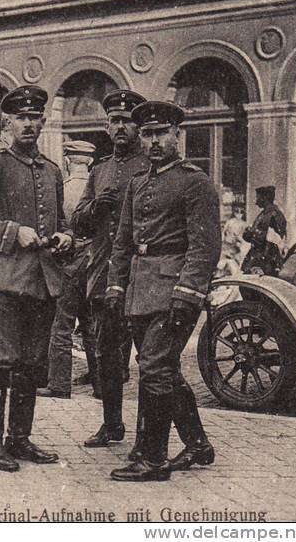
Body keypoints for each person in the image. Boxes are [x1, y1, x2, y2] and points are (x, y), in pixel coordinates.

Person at [0, 85, 73, 472]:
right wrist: (12, 232)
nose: (28, 124)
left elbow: (61, 222)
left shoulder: (52, 171)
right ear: (8, 122)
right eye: (20, 118)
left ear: (43, 121)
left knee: (30, 363)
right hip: (3, 279)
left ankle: (19, 438)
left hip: (42, 281)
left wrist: (64, 236)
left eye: (34, 117)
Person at [105, 101, 220, 481]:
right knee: (163, 367)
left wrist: (188, 295)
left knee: (153, 368)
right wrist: (116, 286)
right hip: (140, 287)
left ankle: (152, 458)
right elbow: (123, 241)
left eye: (161, 133)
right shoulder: (139, 183)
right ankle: (197, 444)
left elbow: (204, 247)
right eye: (148, 134)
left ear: (176, 135)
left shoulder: (195, 182)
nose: (154, 141)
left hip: (173, 289)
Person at [70, 89, 151, 449]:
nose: (120, 127)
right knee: (106, 354)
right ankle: (111, 424)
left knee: (148, 356)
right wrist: (94, 209)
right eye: (115, 121)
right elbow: (77, 223)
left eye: (127, 121)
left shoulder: (150, 166)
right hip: (103, 274)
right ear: (107, 126)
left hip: (142, 276)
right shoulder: (99, 170)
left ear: (138, 126)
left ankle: (148, 433)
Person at [38, 140, 96, 399]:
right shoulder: (97, 187)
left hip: (70, 262)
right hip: (94, 262)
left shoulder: (64, 189)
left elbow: (57, 227)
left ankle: (59, 384)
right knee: (90, 324)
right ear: (90, 162)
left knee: (61, 325)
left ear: (67, 161)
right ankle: (101, 382)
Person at [241, 186, 287, 275]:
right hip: (257, 257)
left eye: (258, 197)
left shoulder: (275, 215)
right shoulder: (263, 214)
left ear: (264, 198)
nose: (256, 201)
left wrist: (252, 233)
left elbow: (276, 240)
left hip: (265, 261)